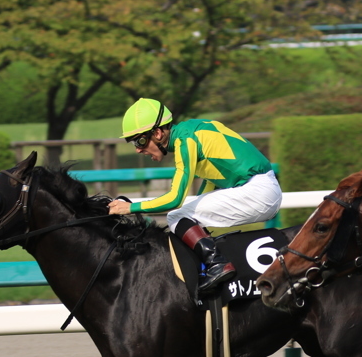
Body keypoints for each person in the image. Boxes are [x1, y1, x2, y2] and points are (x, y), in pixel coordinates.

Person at [108, 98, 282, 294]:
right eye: (134, 143)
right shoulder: (192, 130)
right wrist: (196, 224)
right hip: (264, 189)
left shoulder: (185, 141)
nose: (138, 149)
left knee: (176, 216)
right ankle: (212, 260)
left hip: (258, 191)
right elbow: (210, 181)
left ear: (157, 133)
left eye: (140, 140)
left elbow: (175, 199)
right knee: (185, 216)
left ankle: (216, 263)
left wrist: (130, 208)